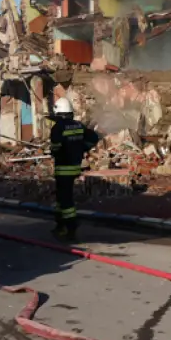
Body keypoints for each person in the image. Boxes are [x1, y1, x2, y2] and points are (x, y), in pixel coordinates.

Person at [47, 97, 98, 241]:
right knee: (61, 198)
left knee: (65, 200)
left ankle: (70, 227)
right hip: (74, 167)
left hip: (63, 168)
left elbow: (56, 148)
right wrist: (83, 147)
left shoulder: (58, 127)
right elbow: (93, 137)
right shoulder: (78, 125)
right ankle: (60, 225)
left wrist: (53, 151)